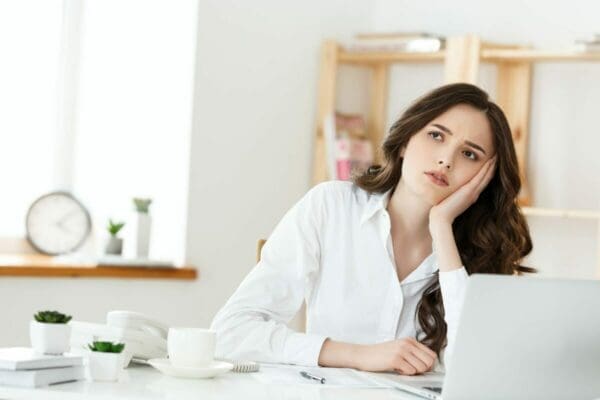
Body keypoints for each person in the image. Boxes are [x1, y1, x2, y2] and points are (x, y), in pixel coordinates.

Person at [210, 83, 533, 375]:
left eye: (469, 154)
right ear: (406, 140)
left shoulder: (483, 249)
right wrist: (356, 355)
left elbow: (478, 368)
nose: (446, 160)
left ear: (485, 177)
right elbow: (230, 333)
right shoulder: (330, 206)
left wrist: (442, 229)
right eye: (436, 136)